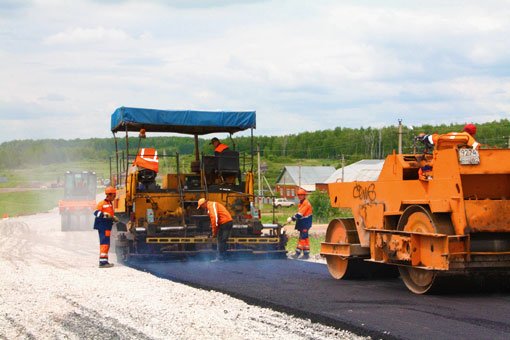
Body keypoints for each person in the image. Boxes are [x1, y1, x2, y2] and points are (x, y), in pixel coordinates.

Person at [93, 186, 119, 268]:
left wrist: (112, 217)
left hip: (107, 226)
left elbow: (109, 214)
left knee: (106, 243)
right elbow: (95, 212)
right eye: (114, 196)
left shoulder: (109, 204)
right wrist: (104, 215)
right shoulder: (102, 203)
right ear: (109, 195)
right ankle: (102, 262)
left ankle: (104, 261)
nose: (114, 197)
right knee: (104, 243)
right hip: (103, 226)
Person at [287, 188, 313, 260]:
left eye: (301, 195)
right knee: (305, 238)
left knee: (302, 238)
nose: (300, 196)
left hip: (305, 223)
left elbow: (300, 214)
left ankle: (297, 253)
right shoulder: (301, 203)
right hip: (303, 223)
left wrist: (292, 218)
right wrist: (293, 217)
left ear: (304, 195)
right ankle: (306, 254)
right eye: (299, 195)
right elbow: (299, 213)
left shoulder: (306, 203)